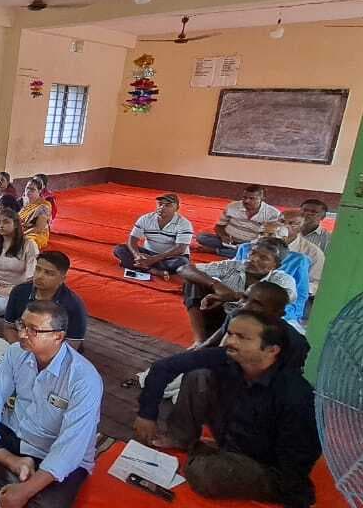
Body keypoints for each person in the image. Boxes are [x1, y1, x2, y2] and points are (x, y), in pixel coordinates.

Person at [135, 311, 321, 506]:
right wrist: (147, 415)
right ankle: (183, 438)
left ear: (271, 350)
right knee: (198, 376)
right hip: (234, 441)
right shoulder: (227, 358)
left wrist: (291, 495)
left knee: (203, 473)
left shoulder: (295, 394)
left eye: (242, 337)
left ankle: (212, 457)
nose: (230, 341)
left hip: (266, 464)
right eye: (230, 334)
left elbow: (299, 456)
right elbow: (164, 367)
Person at [0, 301, 101, 508]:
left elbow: (71, 445)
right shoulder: (16, 353)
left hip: (52, 451)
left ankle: (7, 470)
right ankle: (13, 464)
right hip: (17, 434)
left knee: (44, 505)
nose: (22, 334)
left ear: (58, 337)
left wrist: (26, 490)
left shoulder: (84, 379)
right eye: (22, 325)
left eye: (33, 330)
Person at [178, 238, 297, 345]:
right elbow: (184, 268)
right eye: (253, 253)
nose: (253, 259)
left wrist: (232, 296)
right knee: (194, 281)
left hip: (252, 326)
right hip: (221, 316)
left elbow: (277, 302)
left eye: (263, 258)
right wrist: (215, 285)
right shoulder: (234, 266)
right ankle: (199, 340)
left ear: (276, 266)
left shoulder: (282, 280)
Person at [0, 251, 87, 348]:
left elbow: (73, 344)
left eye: (48, 273)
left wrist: (38, 354)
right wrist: (19, 349)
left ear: (62, 279)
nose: (39, 276)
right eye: (38, 269)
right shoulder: (19, 292)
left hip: (53, 354)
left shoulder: (74, 305)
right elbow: (9, 327)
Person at [0, 208, 39, 317]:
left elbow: (30, 278)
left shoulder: (29, 245)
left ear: (16, 225)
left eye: (6, 222)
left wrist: (12, 290)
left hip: (14, 289)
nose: (1, 226)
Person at [112, 193, 193, 276]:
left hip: (170, 257)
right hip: (148, 253)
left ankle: (138, 266)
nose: (162, 207)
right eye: (160, 204)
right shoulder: (146, 219)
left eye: (168, 205)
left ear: (177, 208)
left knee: (182, 262)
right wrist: (137, 255)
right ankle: (152, 270)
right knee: (120, 249)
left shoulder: (184, 224)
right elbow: (132, 240)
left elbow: (180, 249)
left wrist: (154, 259)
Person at [197, 185, 283, 258]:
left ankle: (217, 251)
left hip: (251, 245)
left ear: (262, 198)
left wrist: (251, 244)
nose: (246, 201)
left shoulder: (272, 213)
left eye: (252, 198)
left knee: (258, 251)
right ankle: (232, 250)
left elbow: (269, 238)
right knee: (201, 237)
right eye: (244, 197)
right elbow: (219, 226)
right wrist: (223, 236)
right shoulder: (232, 206)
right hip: (229, 241)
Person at [279, 209, 325, 296]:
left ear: (301, 227)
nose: (285, 226)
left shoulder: (313, 252)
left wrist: (292, 289)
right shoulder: (263, 243)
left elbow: (316, 284)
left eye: (292, 223)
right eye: (282, 221)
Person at [19, 179, 53, 249]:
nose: (28, 191)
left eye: (32, 189)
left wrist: (22, 234)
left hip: (36, 234)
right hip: (22, 230)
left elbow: (39, 228)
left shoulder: (44, 205)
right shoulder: (24, 202)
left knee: (26, 241)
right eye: (27, 188)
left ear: (39, 191)